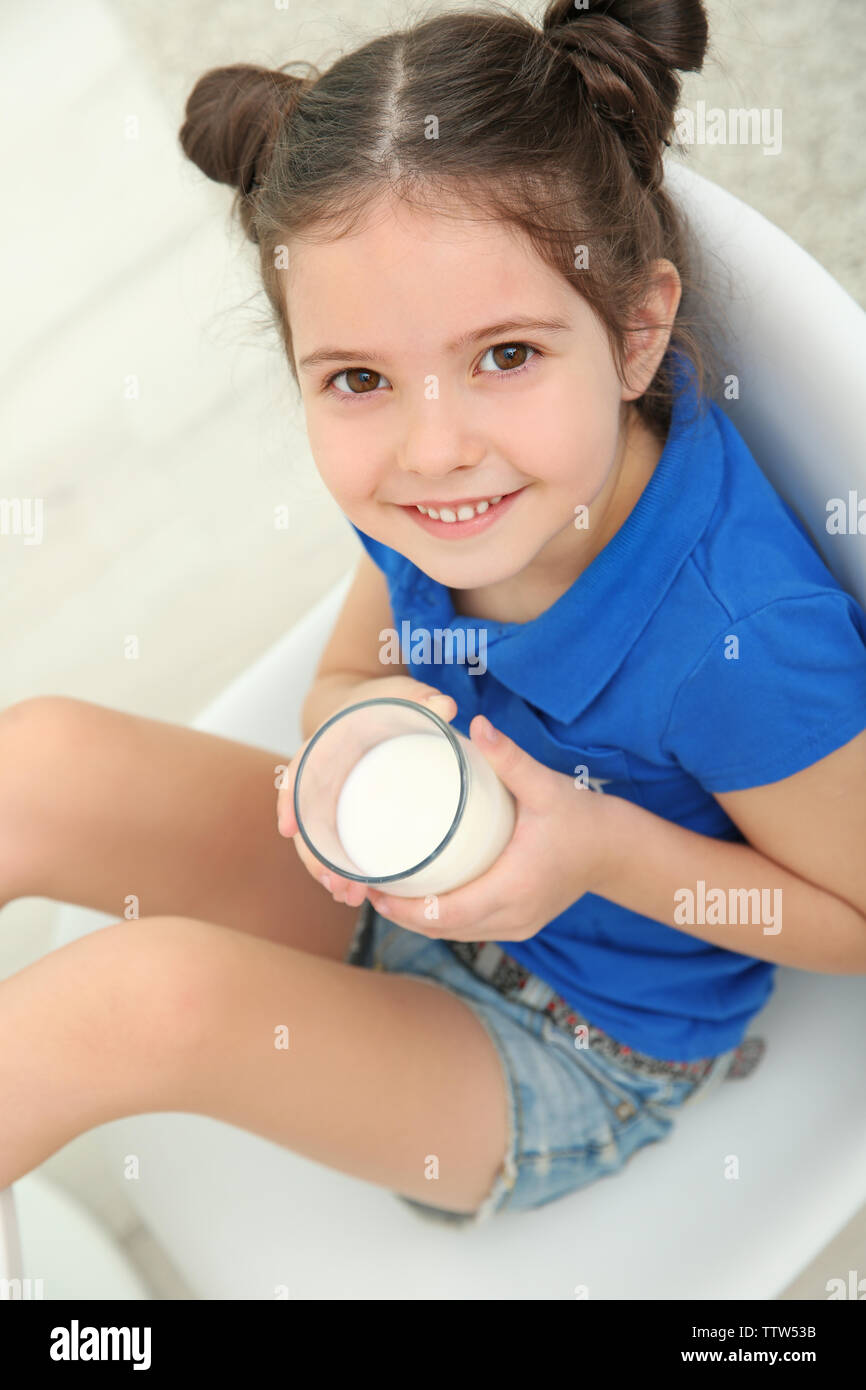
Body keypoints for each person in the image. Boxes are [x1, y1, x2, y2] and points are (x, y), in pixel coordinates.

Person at [3, 0, 865, 1231]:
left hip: (568, 1040)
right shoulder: (441, 504)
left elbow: (856, 916)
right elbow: (347, 672)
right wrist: (348, 732)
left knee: (136, 1000)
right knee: (32, 762)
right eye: (357, 379)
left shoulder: (734, 642)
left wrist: (589, 847)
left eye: (504, 355)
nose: (432, 447)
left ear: (632, 333)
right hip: (394, 879)